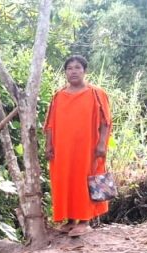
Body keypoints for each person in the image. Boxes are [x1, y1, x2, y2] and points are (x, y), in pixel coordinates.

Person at [44, 55, 112, 237]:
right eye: (69, 68)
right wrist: (48, 144)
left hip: (87, 147)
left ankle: (84, 221)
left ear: (84, 71)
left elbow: (106, 121)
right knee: (64, 180)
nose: (73, 71)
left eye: (77, 68)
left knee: (85, 180)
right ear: (65, 72)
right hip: (63, 148)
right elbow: (50, 123)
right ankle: (69, 220)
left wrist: (102, 144)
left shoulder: (96, 93)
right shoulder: (58, 96)